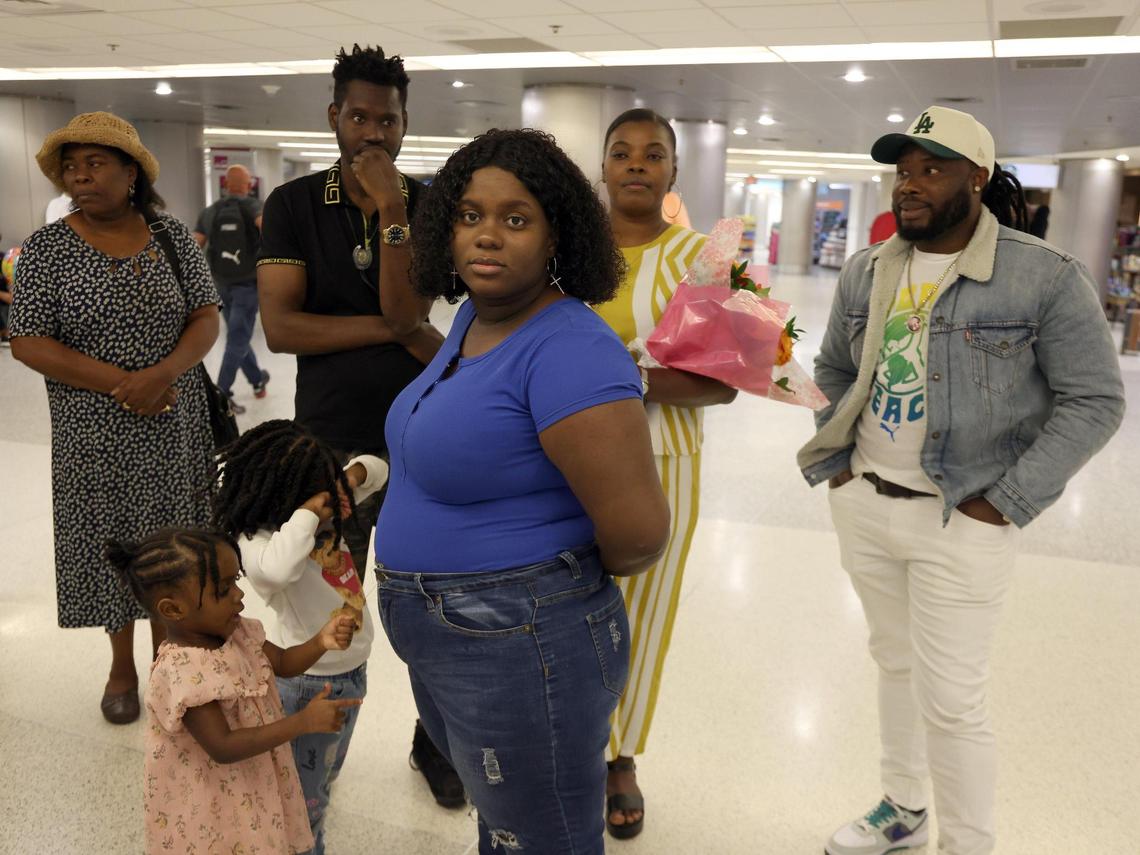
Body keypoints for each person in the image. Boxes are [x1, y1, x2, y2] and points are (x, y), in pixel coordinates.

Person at [797, 105, 1125, 855]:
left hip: (961, 518)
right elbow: (833, 367)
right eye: (903, 171)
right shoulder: (868, 267)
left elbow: (1098, 399)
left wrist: (1003, 502)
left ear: (976, 178)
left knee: (951, 697)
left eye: (932, 169)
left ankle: (968, 843)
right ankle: (903, 807)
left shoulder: (1042, 275)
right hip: (867, 502)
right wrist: (841, 464)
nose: (909, 185)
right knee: (894, 661)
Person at [375, 127, 671, 854]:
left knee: (541, 840)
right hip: (460, 637)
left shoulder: (569, 347)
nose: (487, 237)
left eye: (515, 219)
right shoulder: (477, 317)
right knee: (509, 828)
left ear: (555, 236)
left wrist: (540, 586)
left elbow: (637, 534)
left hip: (521, 638)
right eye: (471, 215)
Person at [256, 42, 458, 805]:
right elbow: (283, 330)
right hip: (336, 439)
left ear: (407, 124)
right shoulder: (294, 205)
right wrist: (395, 330)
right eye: (359, 115)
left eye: (389, 118)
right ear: (333, 117)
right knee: (332, 608)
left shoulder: (428, 204)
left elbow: (410, 308)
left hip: (423, 432)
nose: (373, 132)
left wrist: (396, 211)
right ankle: (319, 746)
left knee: (432, 607)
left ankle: (434, 743)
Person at [10, 111, 221, 725]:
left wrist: (163, 374)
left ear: (131, 172)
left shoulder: (172, 237)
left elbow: (205, 316)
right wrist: (125, 384)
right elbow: (27, 341)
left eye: (95, 164)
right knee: (111, 546)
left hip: (173, 424)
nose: (80, 178)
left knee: (173, 543)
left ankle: (169, 660)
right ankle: (121, 663)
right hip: (91, 433)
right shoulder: (47, 247)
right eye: (71, 168)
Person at [594, 107, 737, 840]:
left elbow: (724, 381)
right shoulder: (569, 256)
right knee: (569, 602)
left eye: (653, 154)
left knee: (642, 612)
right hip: (569, 459)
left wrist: (629, 379)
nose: (637, 164)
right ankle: (576, 737)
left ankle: (620, 756)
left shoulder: (702, 261)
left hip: (664, 460)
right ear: (605, 167)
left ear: (673, 171)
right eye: (622, 152)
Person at [106, 527, 361, 855]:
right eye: (223, 589)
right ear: (173, 609)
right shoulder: (183, 672)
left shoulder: (238, 632)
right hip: (214, 795)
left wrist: (320, 641)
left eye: (235, 581)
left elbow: (282, 662)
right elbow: (222, 746)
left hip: (252, 775)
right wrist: (302, 723)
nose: (239, 595)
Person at [209, 419, 389, 855]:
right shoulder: (256, 541)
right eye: (316, 498)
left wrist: (346, 481)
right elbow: (277, 570)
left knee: (324, 769)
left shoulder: (323, 508)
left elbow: (377, 469)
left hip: (351, 669)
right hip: (309, 681)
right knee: (304, 801)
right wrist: (310, 512)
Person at [194, 164, 269, 414]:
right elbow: (268, 231)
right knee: (238, 338)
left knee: (239, 335)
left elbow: (196, 244)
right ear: (248, 185)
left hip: (221, 283)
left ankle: (258, 379)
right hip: (247, 284)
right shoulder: (254, 207)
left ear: (226, 185)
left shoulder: (211, 211)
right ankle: (221, 394)